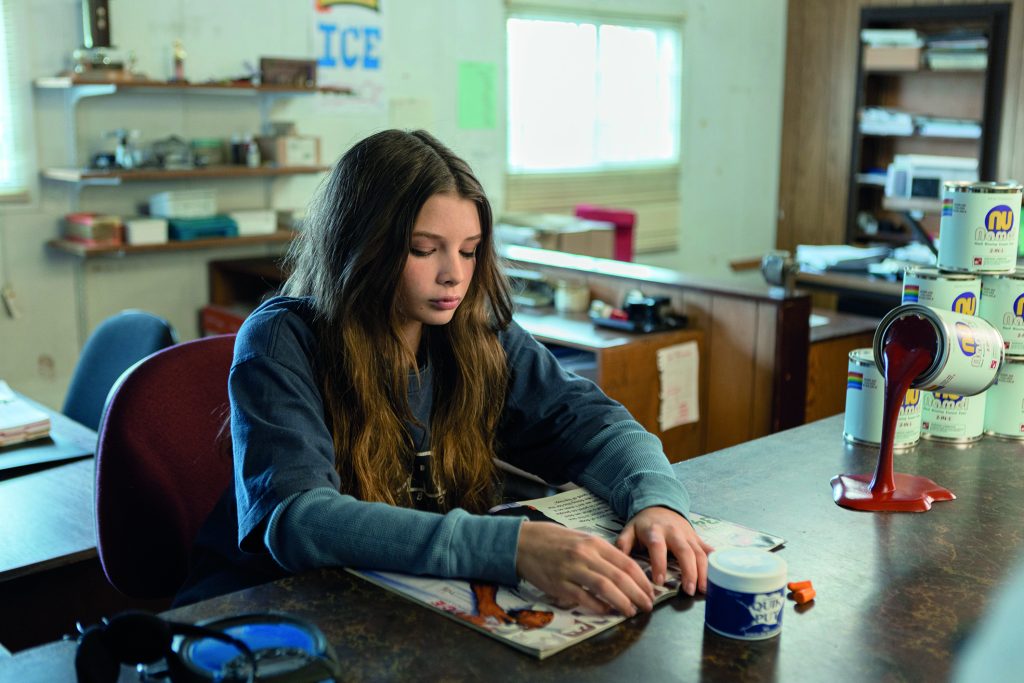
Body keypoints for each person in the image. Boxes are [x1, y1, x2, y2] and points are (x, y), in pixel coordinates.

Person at [176, 129, 712, 617]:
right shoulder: (282, 338)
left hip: (403, 597)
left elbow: (597, 425)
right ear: (361, 246)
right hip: (272, 608)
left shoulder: (476, 331)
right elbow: (299, 519)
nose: (454, 274)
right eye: (423, 250)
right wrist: (512, 547)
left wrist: (657, 500)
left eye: (469, 251)